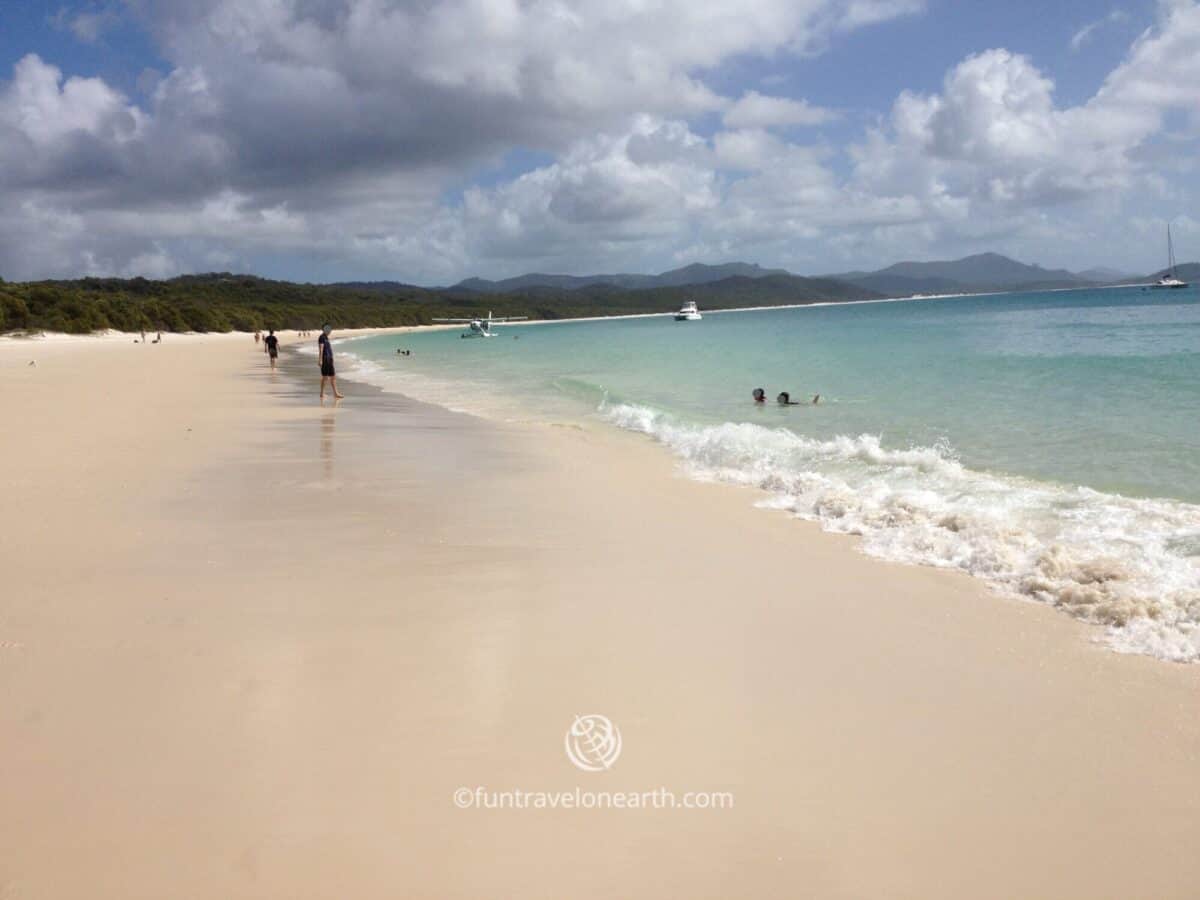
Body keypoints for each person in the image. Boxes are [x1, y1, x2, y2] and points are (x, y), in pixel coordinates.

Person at [318, 324, 343, 399]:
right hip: (325, 359)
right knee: (325, 377)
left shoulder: (326, 337)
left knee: (333, 376)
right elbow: (321, 349)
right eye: (327, 329)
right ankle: (322, 394)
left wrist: (332, 358)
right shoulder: (322, 337)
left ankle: (336, 393)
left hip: (329, 359)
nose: (329, 331)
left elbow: (328, 349)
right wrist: (320, 360)